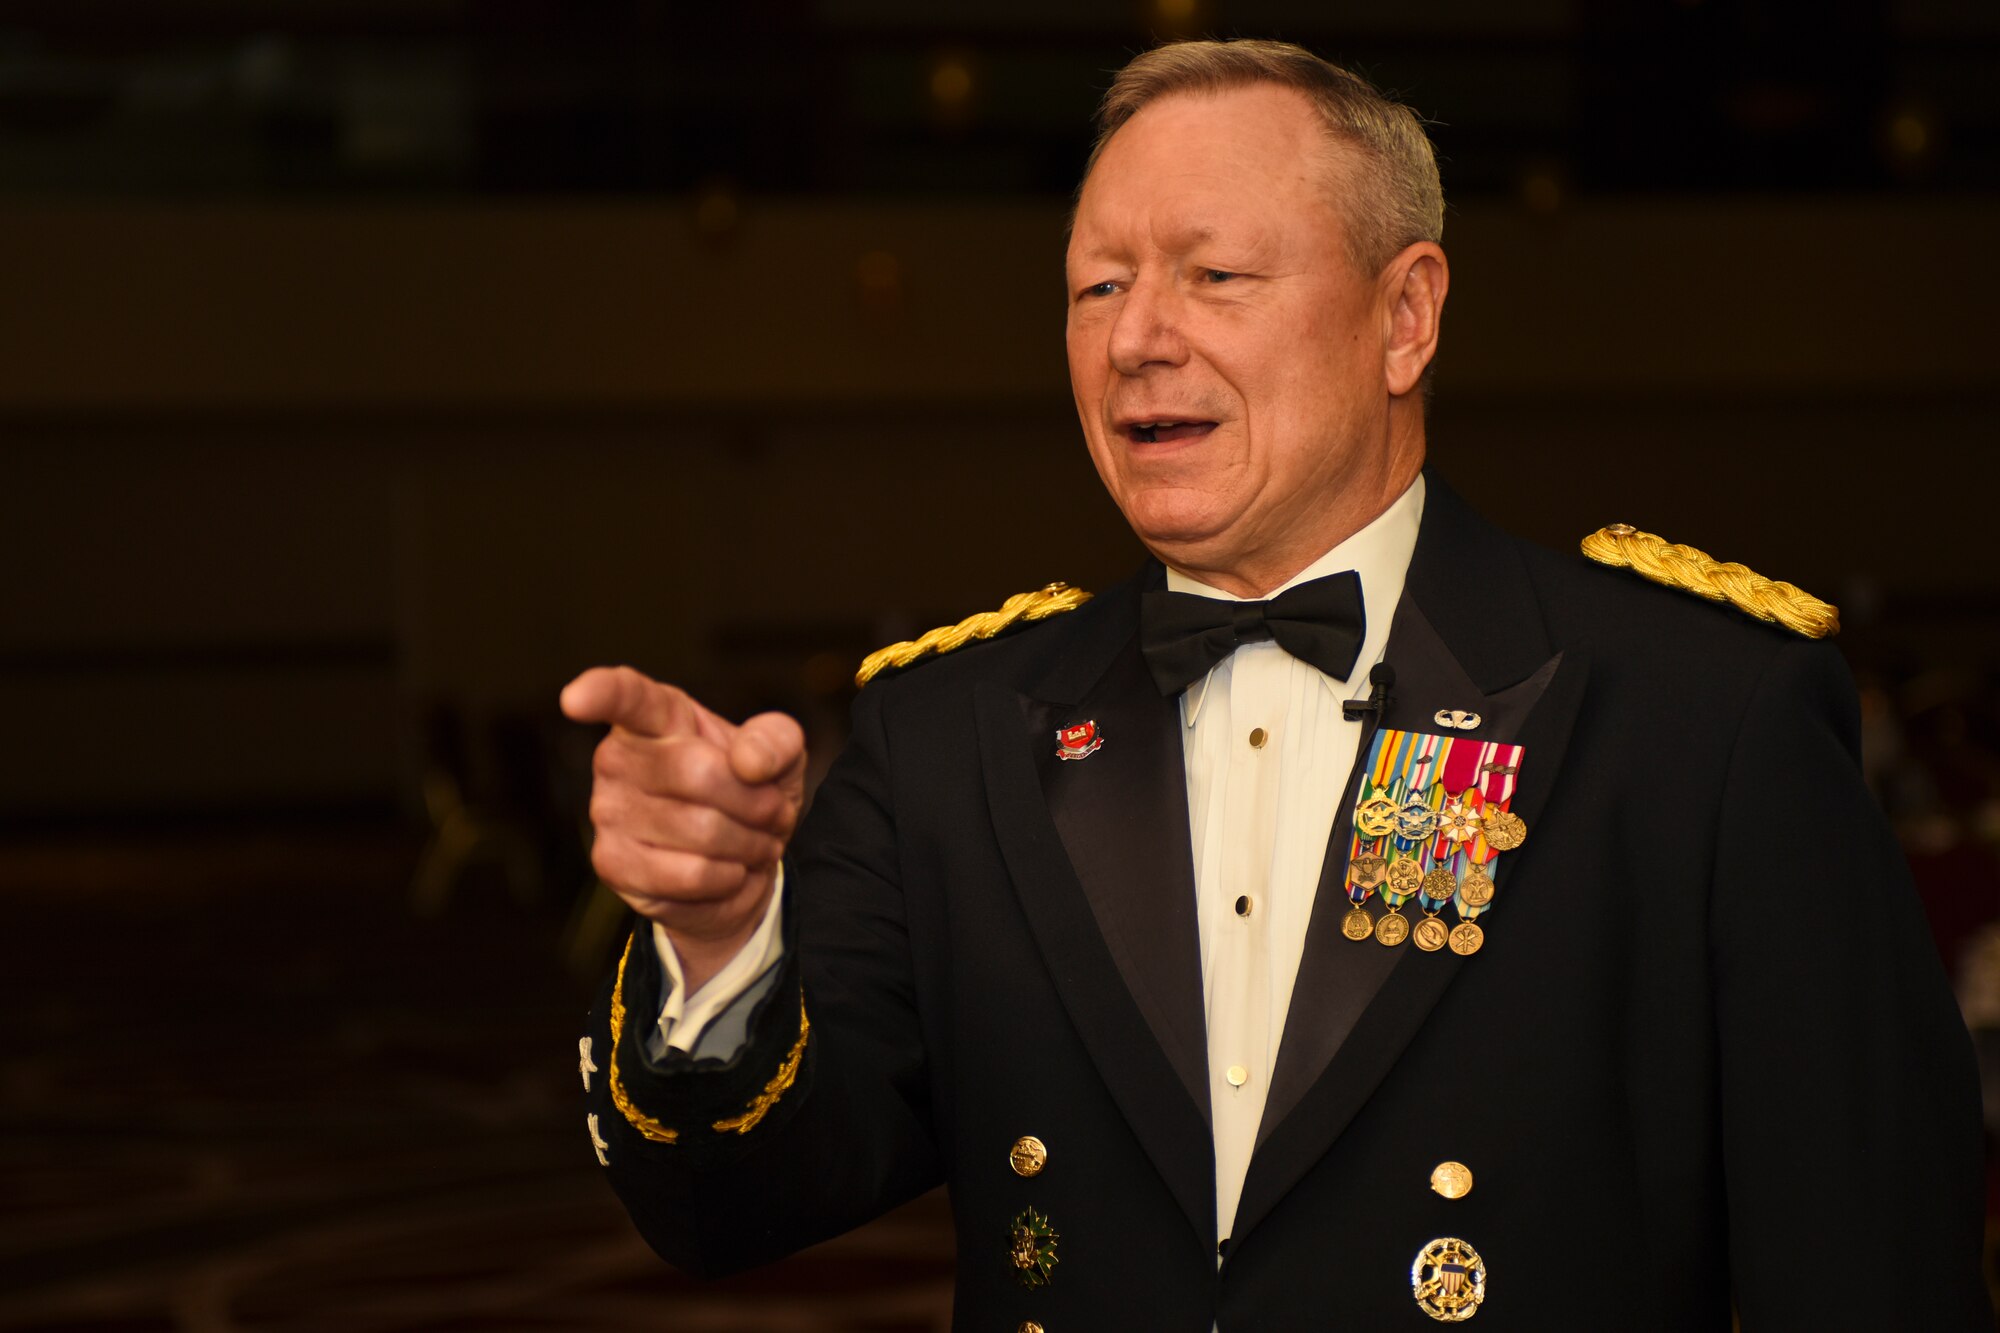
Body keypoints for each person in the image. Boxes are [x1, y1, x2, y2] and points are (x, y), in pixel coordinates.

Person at [561, 39, 1988, 1331]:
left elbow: (1872, 1272)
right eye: (1098, 286)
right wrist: (723, 936)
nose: (1136, 336)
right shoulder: (955, 735)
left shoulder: (1696, 718)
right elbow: (728, 1211)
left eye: (1213, 275)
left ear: (1404, 318)